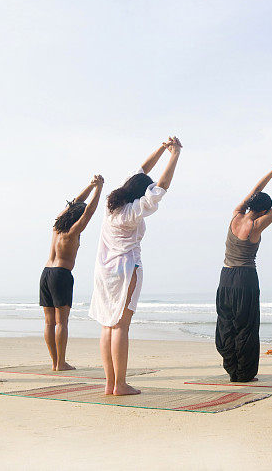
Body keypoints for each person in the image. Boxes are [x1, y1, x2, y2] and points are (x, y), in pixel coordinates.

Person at [89, 137, 182, 395]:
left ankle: (110, 383)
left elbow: (141, 170)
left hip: (104, 271)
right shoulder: (132, 210)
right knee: (120, 325)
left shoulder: (113, 205)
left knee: (108, 325)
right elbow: (160, 186)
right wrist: (175, 155)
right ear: (141, 192)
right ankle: (120, 384)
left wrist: (163, 149)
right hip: (126, 268)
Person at [216, 163, 272, 382]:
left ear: (250, 204)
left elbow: (254, 191)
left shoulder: (236, 215)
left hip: (225, 277)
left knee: (227, 323)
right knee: (246, 325)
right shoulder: (256, 225)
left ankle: (232, 369)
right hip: (245, 278)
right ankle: (245, 373)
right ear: (264, 211)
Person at [41, 175, 104, 371]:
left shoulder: (57, 227)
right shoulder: (73, 231)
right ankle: (61, 363)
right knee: (62, 322)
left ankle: (55, 363)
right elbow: (90, 211)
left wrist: (90, 185)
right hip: (60, 275)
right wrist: (99, 188)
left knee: (49, 322)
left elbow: (74, 203)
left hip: (45, 274)